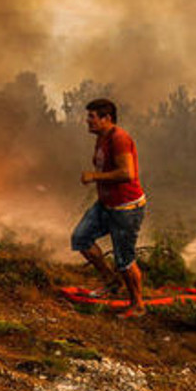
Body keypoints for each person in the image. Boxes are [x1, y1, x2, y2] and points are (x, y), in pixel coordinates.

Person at [71, 98, 147, 317]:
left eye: (92, 117)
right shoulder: (102, 137)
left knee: (124, 260)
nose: (87, 121)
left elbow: (127, 173)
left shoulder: (120, 139)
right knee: (81, 238)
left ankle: (138, 305)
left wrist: (94, 176)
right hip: (106, 205)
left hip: (125, 208)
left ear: (107, 118)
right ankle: (111, 282)